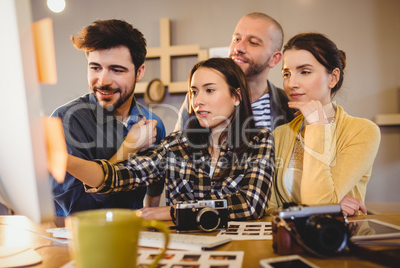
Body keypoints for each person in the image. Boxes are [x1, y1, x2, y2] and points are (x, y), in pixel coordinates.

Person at [65, 57, 275, 221]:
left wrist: (175, 211)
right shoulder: (177, 145)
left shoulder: (259, 141)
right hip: (186, 250)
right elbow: (121, 175)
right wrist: (65, 160)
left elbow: (250, 204)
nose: (198, 101)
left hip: (242, 248)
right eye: (193, 92)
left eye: (209, 90)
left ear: (236, 96)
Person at [51, 19, 166, 216]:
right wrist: (128, 147)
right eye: (95, 68)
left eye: (116, 70)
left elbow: (155, 187)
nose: (103, 81)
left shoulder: (153, 124)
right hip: (79, 243)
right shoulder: (65, 121)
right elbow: (77, 210)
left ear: (139, 72)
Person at [267, 33, 381, 216]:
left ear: (333, 78)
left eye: (304, 71)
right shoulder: (279, 134)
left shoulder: (362, 131)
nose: (291, 83)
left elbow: (317, 203)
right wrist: (332, 203)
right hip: (288, 239)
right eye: (286, 74)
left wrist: (317, 127)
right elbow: (269, 207)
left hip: (338, 239)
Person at [174, 12, 295, 132]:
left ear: (274, 59)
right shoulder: (199, 100)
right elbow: (179, 146)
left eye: (253, 42)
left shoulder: (290, 105)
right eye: (237, 39)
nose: (238, 48)